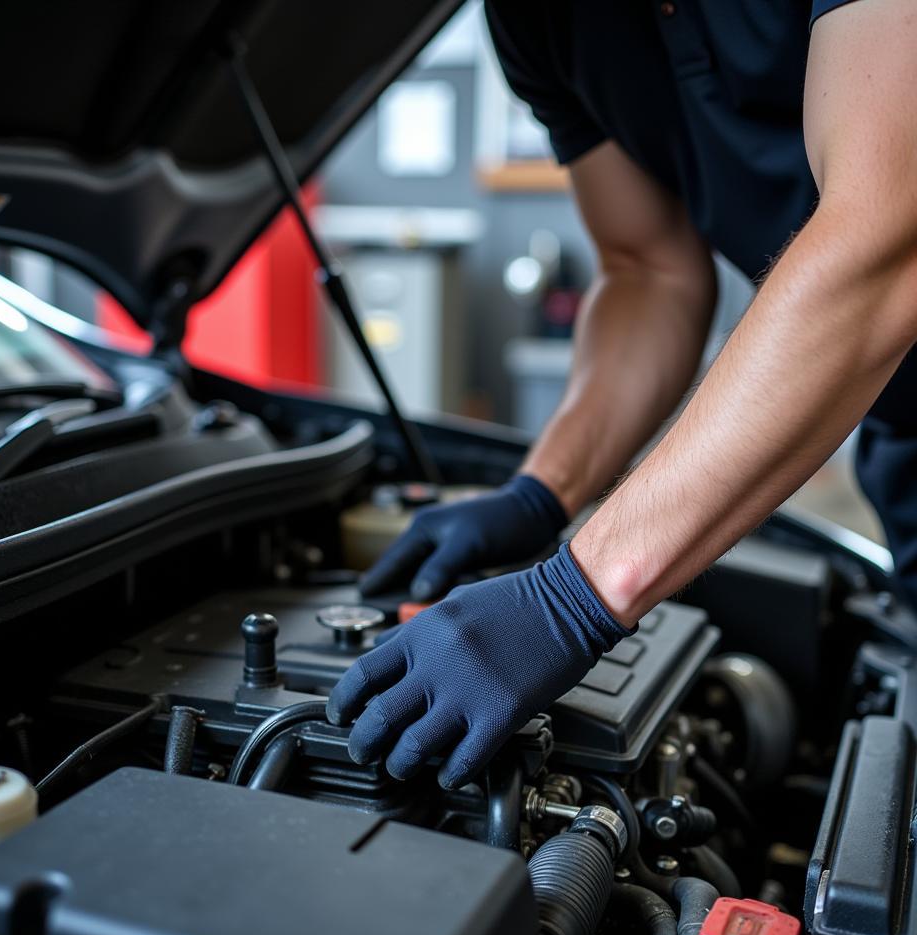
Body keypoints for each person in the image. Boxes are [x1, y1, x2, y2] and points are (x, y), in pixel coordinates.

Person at [327, 0, 917, 790]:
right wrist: (542, 492)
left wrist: (569, 599)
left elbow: (887, 234)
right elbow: (649, 272)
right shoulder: (536, 19)